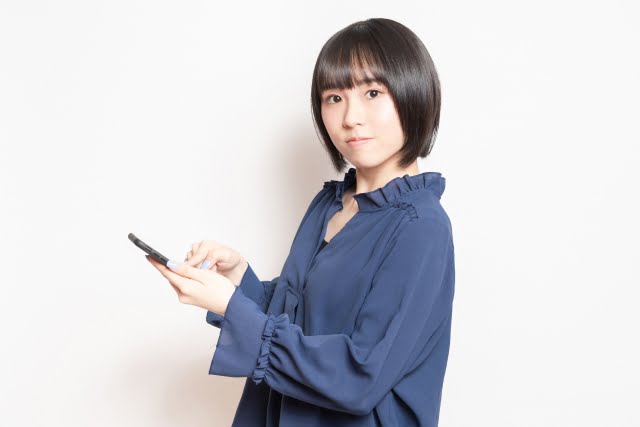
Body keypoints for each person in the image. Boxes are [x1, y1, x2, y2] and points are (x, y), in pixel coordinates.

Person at [147, 17, 455, 427]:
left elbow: (359, 377)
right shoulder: (329, 204)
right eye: (334, 97)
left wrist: (230, 307)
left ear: (414, 92)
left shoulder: (421, 228)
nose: (350, 117)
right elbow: (301, 318)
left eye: (372, 93)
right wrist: (238, 279)